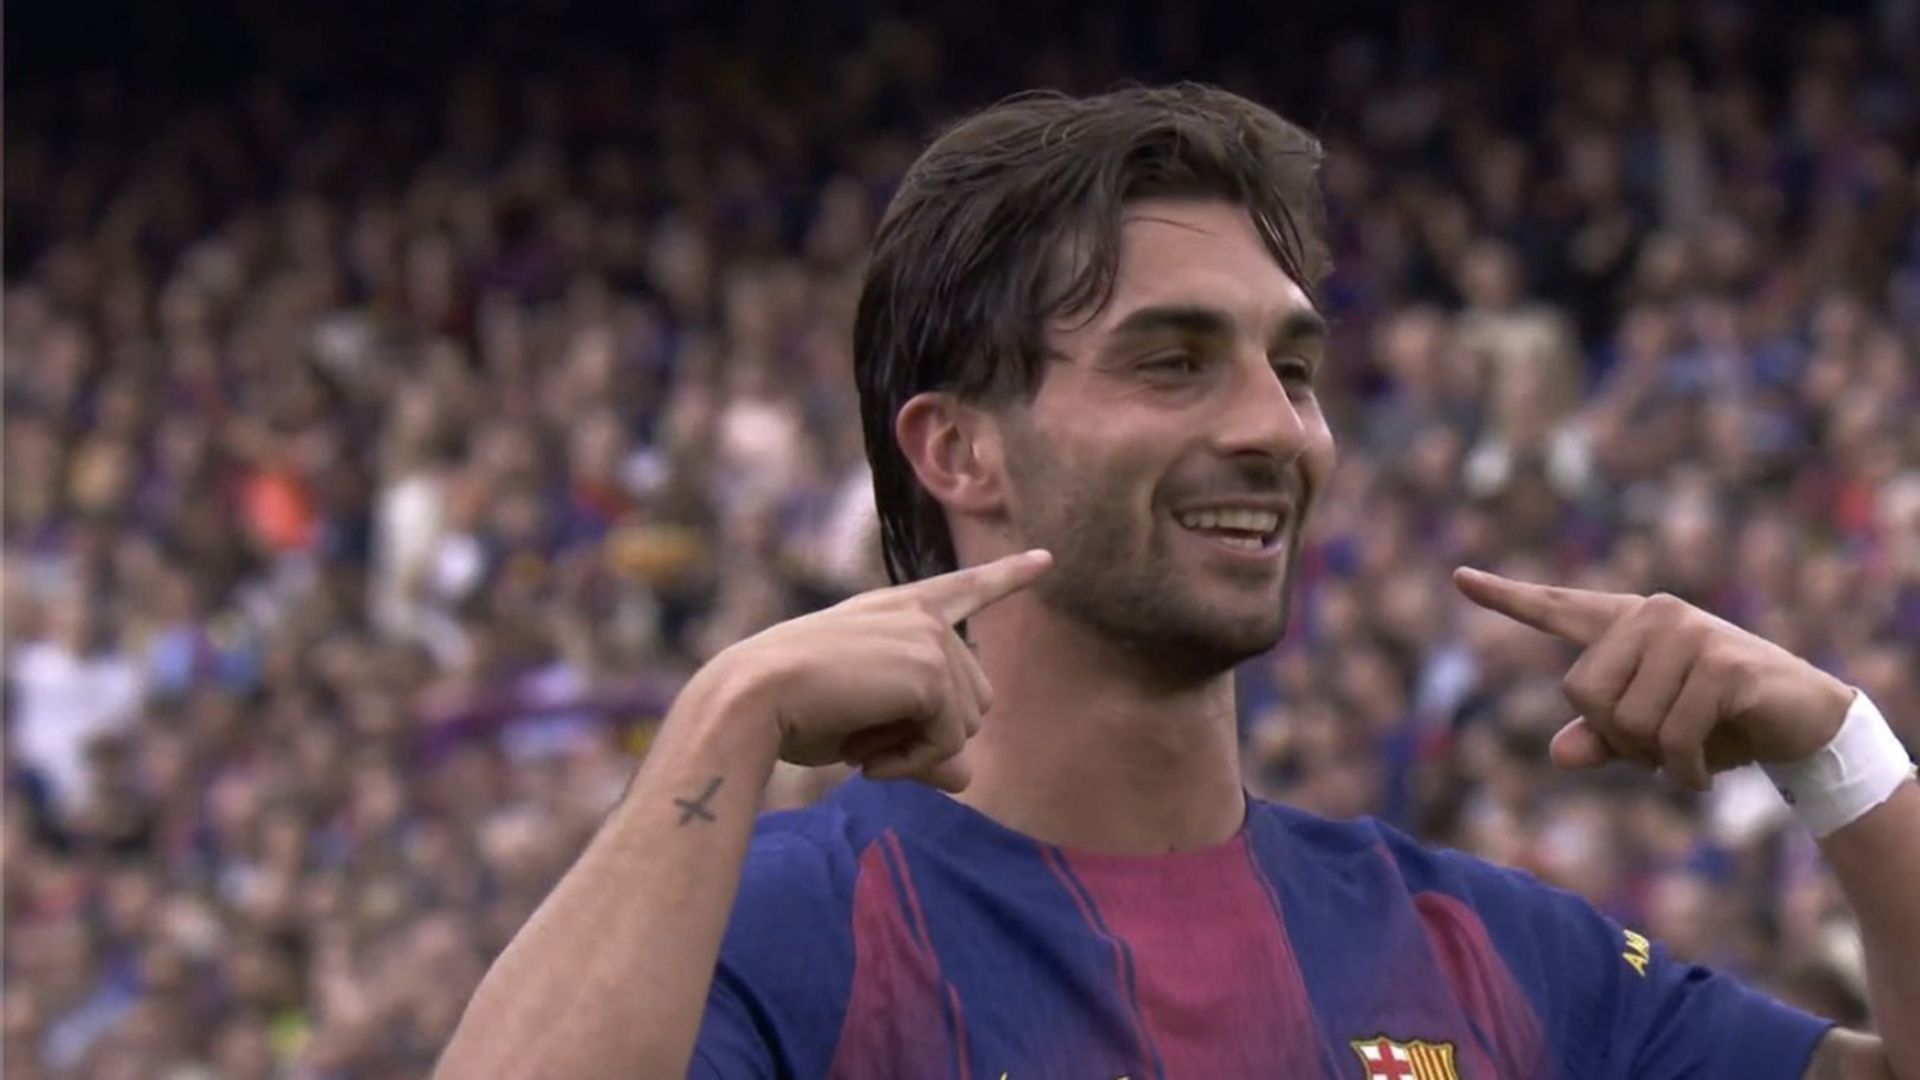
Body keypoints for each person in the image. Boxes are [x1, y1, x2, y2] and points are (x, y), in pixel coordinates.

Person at [436, 85, 1918, 1079]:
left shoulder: (1494, 953)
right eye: (1172, 360)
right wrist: (729, 711)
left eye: (1294, 369)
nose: (1276, 430)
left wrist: (1847, 760)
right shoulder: (782, 936)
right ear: (960, 450)